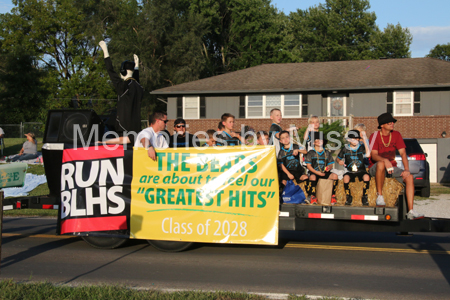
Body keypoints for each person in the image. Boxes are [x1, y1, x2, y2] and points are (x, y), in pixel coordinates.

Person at [369, 112, 424, 220]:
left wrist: (407, 169)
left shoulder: (396, 135)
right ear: (382, 125)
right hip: (375, 168)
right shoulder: (374, 135)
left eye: (392, 122)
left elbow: (403, 153)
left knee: (409, 177)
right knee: (380, 163)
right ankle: (380, 196)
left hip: (391, 168)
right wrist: (385, 160)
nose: (392, 123)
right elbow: (374, 156)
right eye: (389, 122)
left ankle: (411, 211)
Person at [99, 40, 142, 145]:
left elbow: (110, 70)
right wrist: (136, 67)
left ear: (123, 72)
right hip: (137, 129)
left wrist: (105, 51)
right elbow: (135, 80)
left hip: (123, 128)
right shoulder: (139, 87)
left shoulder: (123, 86)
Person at [336, 130, 371, 206]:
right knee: (346, 178)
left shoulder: (361, 148)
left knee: (366, 177)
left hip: (361, 170)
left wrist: (364, 139)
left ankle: (365, 196)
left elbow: (368, 155)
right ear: (349, 140)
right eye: (353, 139)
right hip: (350, 170)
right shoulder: (345, 149)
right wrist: (339, 161)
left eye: (357, 139)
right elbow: (338, 158)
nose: (355, 141)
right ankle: (348, 196)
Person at [304, 132, 338, 204]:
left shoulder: (326, 152)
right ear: (313, 142)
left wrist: (329, 167)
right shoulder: (311, 152)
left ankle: (332, 195)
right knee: (313, 177)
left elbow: (331, 163)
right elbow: (308, 166)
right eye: (317, 140)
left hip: (324, 172)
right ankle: (312, 196)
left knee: (335, 176)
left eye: (321, 140)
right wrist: (317, 172)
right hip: (314, 172)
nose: (319, 141)